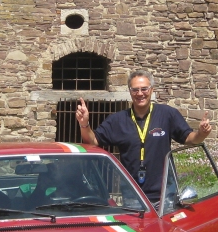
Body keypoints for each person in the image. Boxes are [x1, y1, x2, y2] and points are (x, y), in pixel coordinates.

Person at [75, 70, 211, 204]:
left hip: (165, 195)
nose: (140, 93)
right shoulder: (118, 120)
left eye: (144, 89)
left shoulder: (167, 114)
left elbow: (190, 139)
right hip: (133, 196)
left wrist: (201, 134)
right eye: (135, 90)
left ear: (152, 90)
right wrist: (84, 124)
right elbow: (92, 141)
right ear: (130, 92)